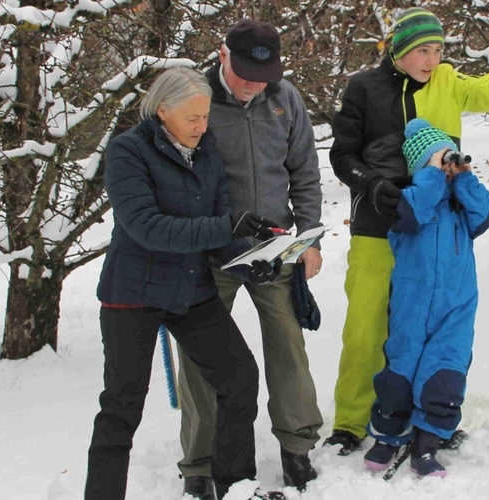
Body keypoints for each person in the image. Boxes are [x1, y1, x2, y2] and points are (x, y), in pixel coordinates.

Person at [326, 6, 489, 455]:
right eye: (422, 50)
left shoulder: (447, 80)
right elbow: (342, 155)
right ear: (400, 51)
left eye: (438, 49)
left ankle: (419, 412)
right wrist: (370, 184)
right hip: (377, 226)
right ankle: (350, 422)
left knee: (428, 327)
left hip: (433, 230)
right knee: (366, 326)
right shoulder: (364, 87)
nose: (431, 59)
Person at [84, 67, 284, 500]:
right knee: (122, 405)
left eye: (206, 115)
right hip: (132, 297)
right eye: (192, 117)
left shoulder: (207, 149)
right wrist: (228, 228)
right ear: (161, 111)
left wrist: (251, 263)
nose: (202, 125)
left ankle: (234, 484)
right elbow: (148, 228)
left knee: (239, 378)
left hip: (191, 291)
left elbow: (219, 233)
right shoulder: (128, 152)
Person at [175, 19, 324, 499]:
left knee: (288, 345)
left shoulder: (285, 99)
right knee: (202, 359)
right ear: (223, 56)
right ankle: (199, 462)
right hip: (210, 252)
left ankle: (296, 446)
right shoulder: (194, 101)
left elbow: (304, 170)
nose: (253, 86)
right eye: (244, 75)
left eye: (263, 77)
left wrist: (309, 239)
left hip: (274, 246)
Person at [362, 118, 489, 477]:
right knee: (401, 367)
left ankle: (429, 440)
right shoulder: (406, 198)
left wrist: (465, 175)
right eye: (440, 161)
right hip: (413, 303)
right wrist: (433, 172)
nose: (448, 168)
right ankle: (389, 434)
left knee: (446, 369)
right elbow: (413, 211)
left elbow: (486, 216)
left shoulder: (461, 205)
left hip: (457, 304)